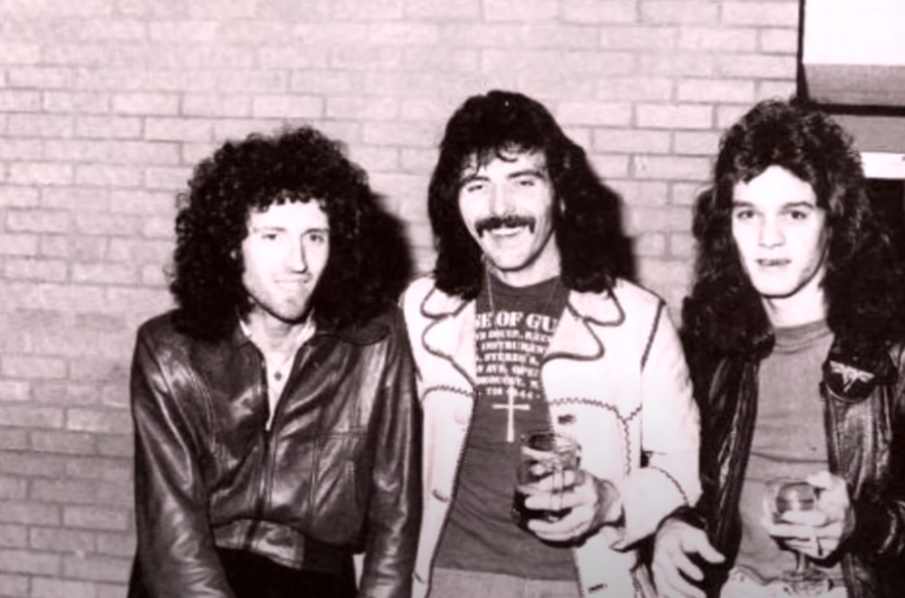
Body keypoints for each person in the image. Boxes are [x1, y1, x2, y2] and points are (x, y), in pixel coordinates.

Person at [401, 89, 702, 598]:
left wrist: (611, 500)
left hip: (588, 583)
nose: (499, 208)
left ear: (560, 193)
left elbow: (683, 466)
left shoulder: (639, 320)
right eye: (476, 185)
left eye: (523, 181)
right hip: (451, 579)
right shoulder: (418, 309)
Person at [126, 126, 421, 598]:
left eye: (315, 237)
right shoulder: (169, 351)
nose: (298, 262)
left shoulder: (377, 340)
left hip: (315, 577)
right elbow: (174, 532)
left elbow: (396, 512)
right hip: (194, 573)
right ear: (230, 246)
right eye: (272, 236)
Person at [652, 98, 905, 598]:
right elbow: (705, 486)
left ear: (835, 221)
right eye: (748, 213)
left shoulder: (892, 353)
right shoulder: (713, 349)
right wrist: (673, 525)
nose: (769, 238)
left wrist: (861, 523)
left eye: (794, 213)